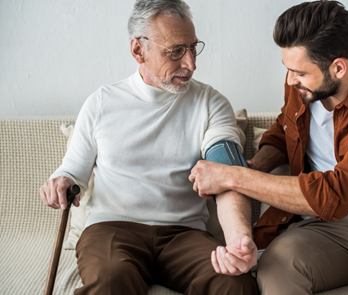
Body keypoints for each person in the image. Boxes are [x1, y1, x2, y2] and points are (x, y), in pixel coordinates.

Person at [189, 1, 348, 294]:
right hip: (317, 229)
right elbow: (284, 133)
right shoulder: (303, 87)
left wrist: (232, 176)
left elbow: (338, 193)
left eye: (299, 72)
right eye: (288, 69)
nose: (289, 79)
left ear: (338, 68)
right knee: (274, 275)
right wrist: (255, 166)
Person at [39, 0, 258, 294]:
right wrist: (61, 180)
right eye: (176, 51)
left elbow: (229, 174)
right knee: (111, 281)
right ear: (138, 50)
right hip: (112, 229)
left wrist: (238, 239)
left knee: (235, 284)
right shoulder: (101, 102)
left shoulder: (210, 103)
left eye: (193, 48)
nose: (191, 63)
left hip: (185, 234)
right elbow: (73, 170)